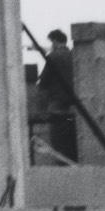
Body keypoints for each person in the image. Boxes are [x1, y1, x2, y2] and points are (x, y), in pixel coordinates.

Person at [36, 28, 79, 161]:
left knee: (58, 146)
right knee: (72, 146)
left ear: (54, 41)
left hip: (57, 106)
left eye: (51, 42)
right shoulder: (74, 55)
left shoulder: (53, 57)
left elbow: (43, 82)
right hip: (73, 108)